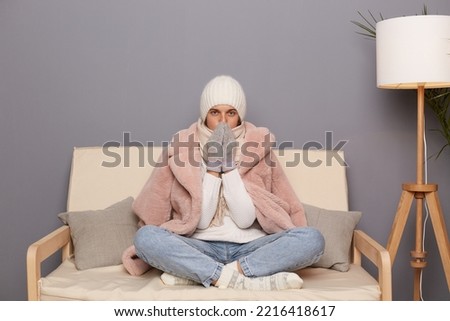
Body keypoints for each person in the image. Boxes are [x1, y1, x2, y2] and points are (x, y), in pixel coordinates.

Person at [122, 75, 325, 291]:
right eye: (214, 112)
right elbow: (198, 221)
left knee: (313, 239)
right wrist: (211, 168)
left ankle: (209, 274)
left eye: (231, 113)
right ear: (205, 115)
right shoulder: (181, 148)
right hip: (199, 246)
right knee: (146, 238)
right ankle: (241, 278)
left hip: (251, 246)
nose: (222, 121)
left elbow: (245, 219)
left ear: (239, 116)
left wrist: (228, 167)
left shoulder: (259, 148)